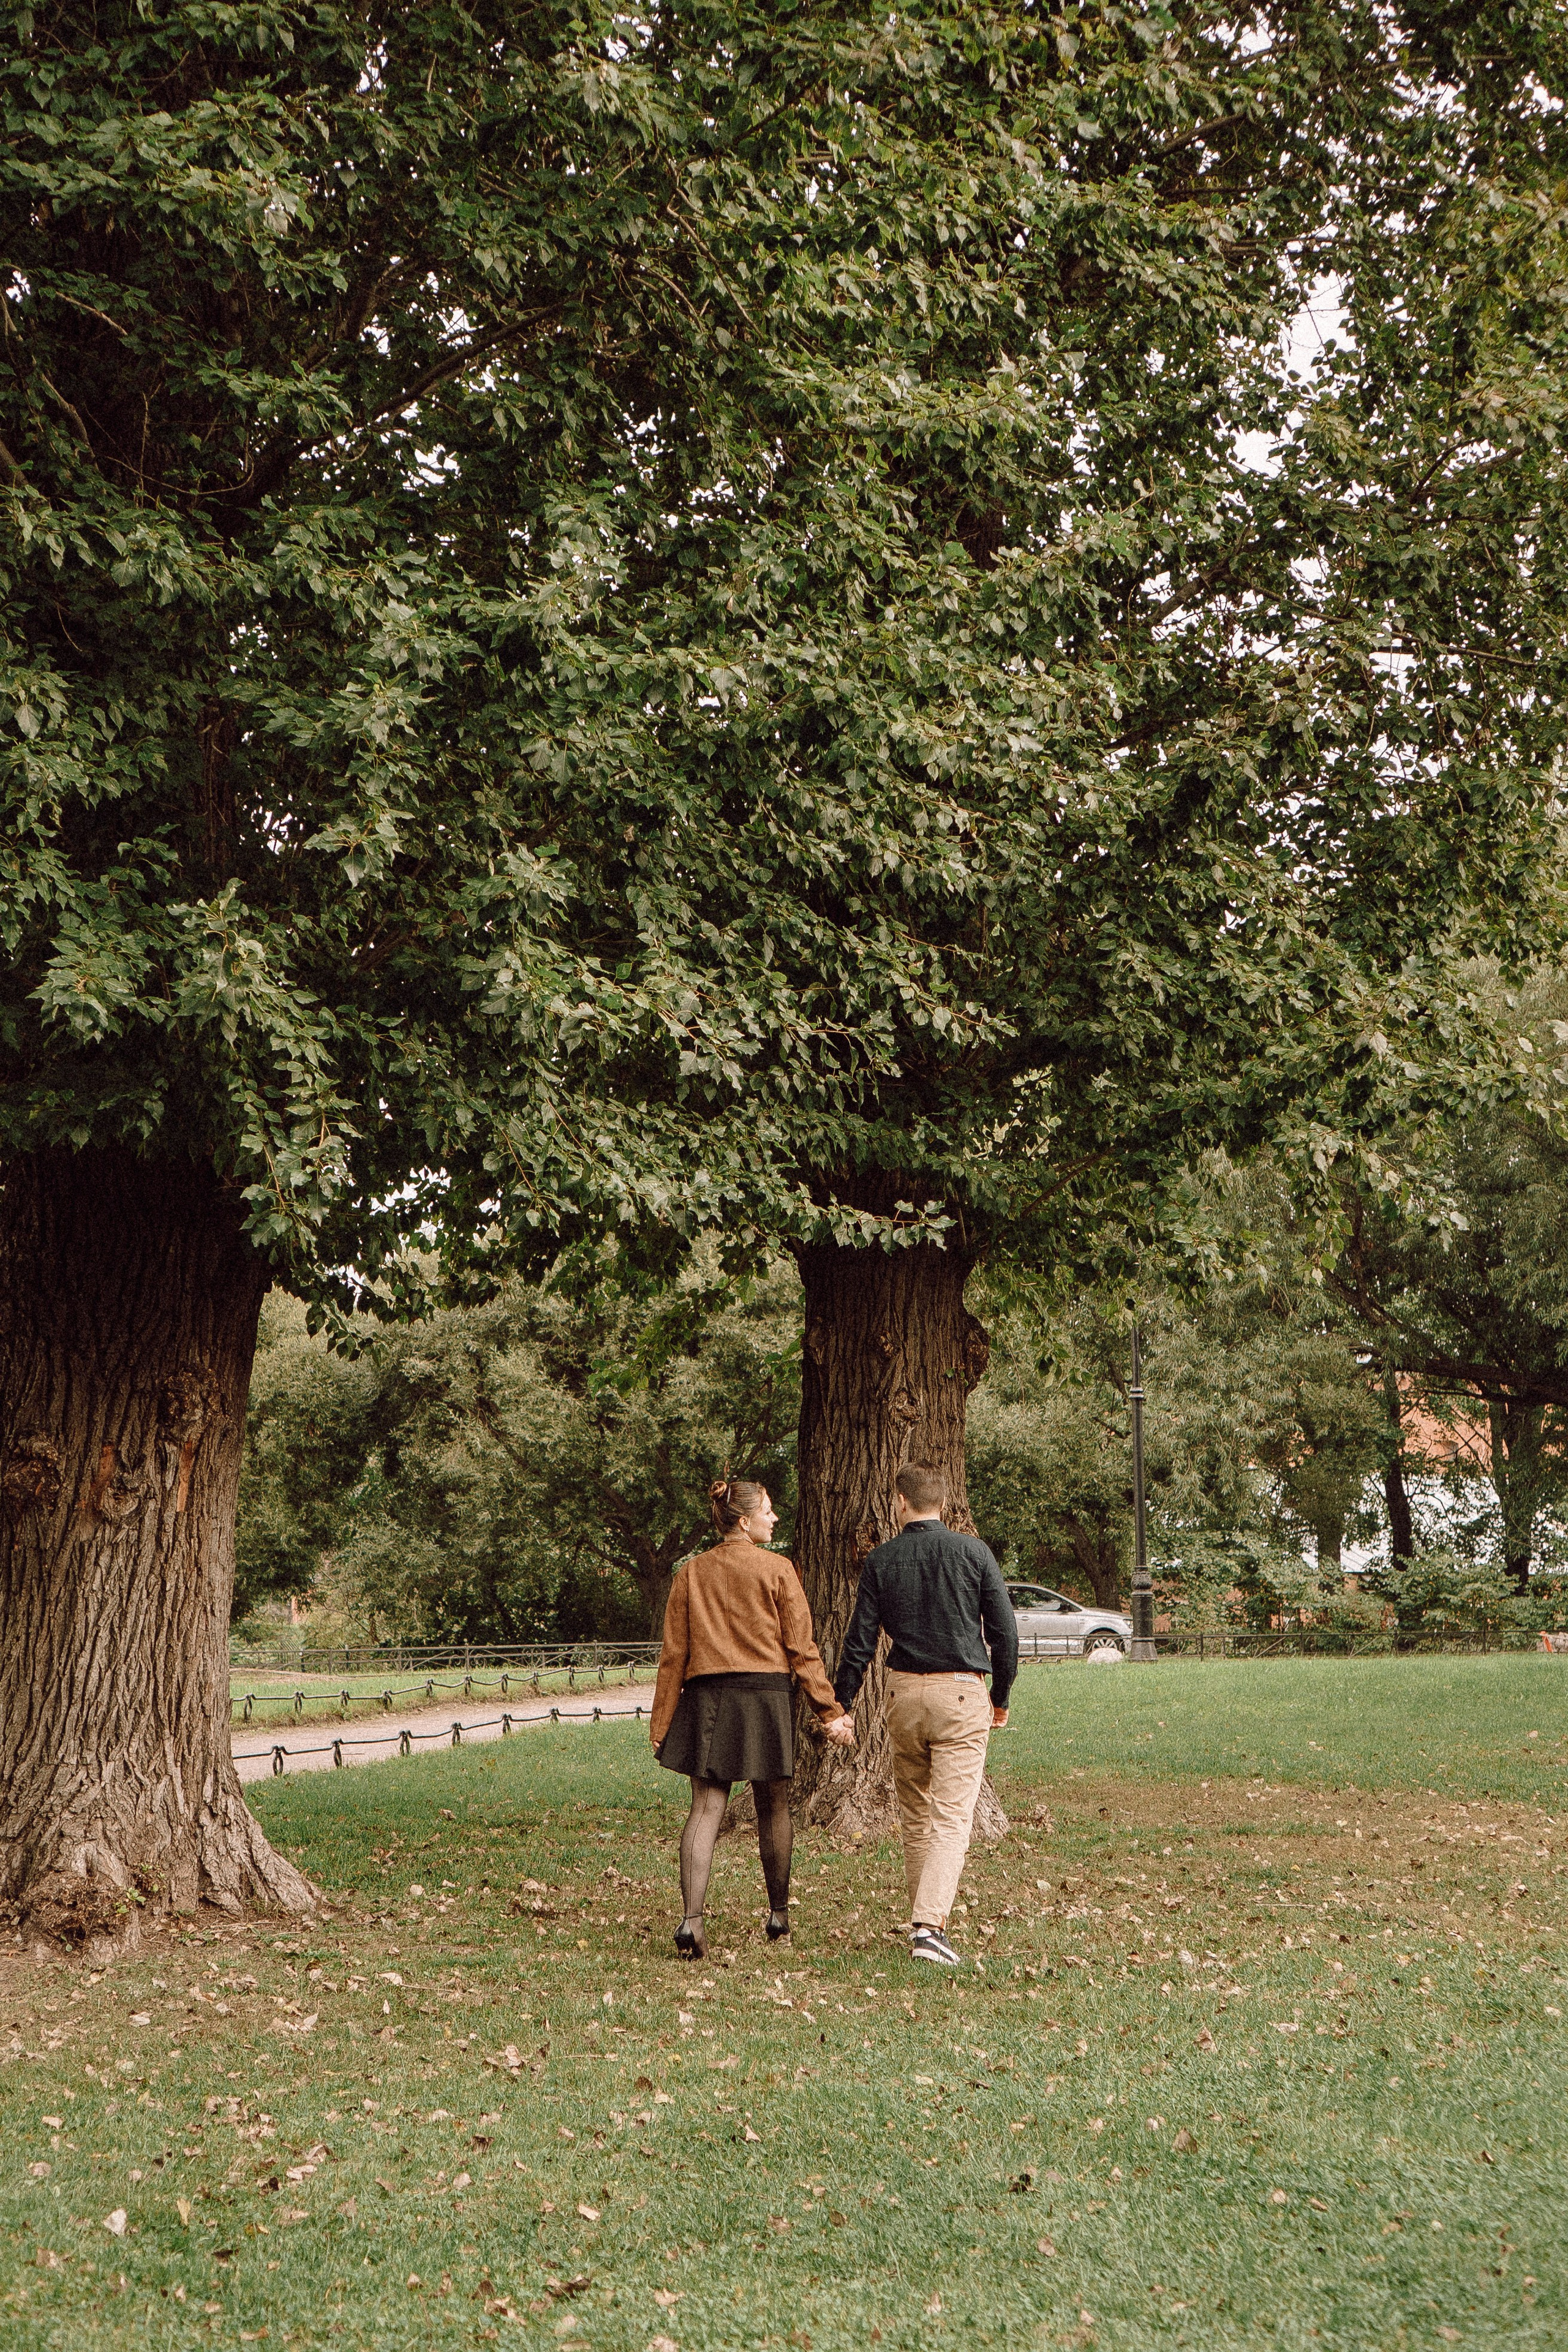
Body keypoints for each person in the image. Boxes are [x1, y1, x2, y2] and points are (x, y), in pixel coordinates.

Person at [650, 1477, 854, 1958]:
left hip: (708, 1698)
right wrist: (831, 1711)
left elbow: (672, 1657)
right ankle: (779, 1915)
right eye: (768, 1510)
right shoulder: (779, 1569)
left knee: (705, 1809)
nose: (774, 1517)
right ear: (744, 1520)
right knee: (774, 1805)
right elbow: (802, 1651)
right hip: (764, 1697)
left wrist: (661, 1726)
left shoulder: (691, 1574)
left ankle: (691, 1922)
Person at [832, 1462, 1017, 1967]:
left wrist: (841, 1703)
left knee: (915, 1811)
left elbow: (860, 1641)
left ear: (900, 1502)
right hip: (960, 1693)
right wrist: (1001, 1697)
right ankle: (929, 1928)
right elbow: (1004, 1633)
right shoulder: (974, 1552)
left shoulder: (882, 1559)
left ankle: (924, 1921)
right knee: (952, 1816)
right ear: (944, 1501)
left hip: (901, 1695)